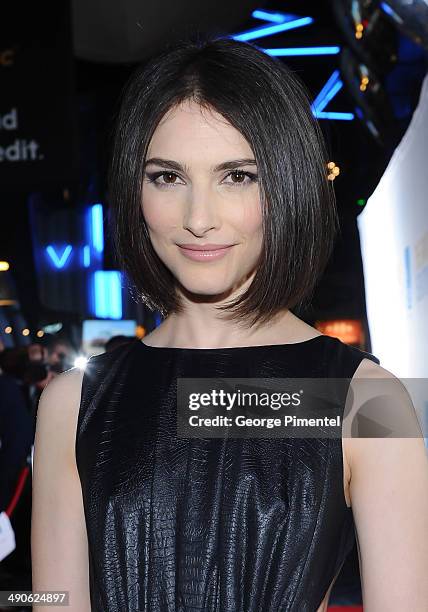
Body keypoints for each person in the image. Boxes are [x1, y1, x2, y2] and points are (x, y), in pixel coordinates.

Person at [31, 35, 428, 611]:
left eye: (236, 176)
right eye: (167, 177)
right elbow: (51, 601)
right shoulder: (73, 402)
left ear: (286, 185)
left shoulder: (370, 402)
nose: (198, 218)